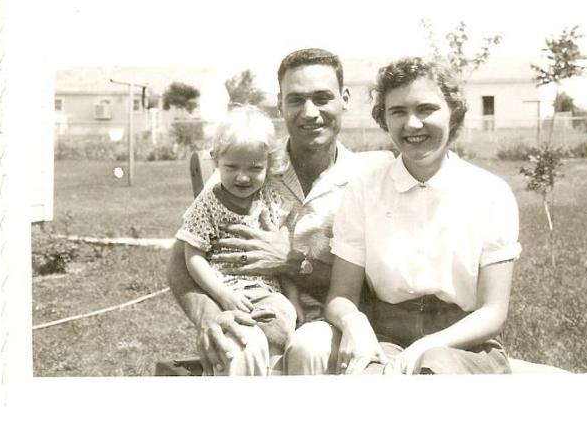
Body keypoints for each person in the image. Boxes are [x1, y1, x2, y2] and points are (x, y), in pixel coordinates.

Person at [166, 48, 390, 375]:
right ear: (280, 103)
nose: (309, 112)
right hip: (250, 310)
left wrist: (296, 263)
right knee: (235, 347)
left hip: (327, 324)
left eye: (322, 98)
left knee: (308, 350)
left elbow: (377, 288)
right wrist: (209, 315)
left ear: (344, 98)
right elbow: (180, 260)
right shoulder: (247, 164)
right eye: (296, 99)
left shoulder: (367, 179)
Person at [322, 56, 521, 374]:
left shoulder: (490, 193)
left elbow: (493, 312)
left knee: (434, 369)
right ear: (383, 118)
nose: (412, 124)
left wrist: (427, 347)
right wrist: (354, 322)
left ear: (453, 113)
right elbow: (341, 295)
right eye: (397, 111)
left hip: (465, 345)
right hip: (385, 339)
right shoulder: (363, 190)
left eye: (426, 109)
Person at [174, 105, 301, 375]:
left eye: (255, 168)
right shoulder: (207, 204)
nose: (242, 177)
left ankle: (276, 371)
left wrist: (293, 299)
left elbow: (282, 260)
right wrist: (222, 294)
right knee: (238, 340)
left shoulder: (270, 202)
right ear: (215, 160)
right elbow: (192, 255)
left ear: (269, 165)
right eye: (231, 167)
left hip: (267, 292)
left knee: (281, 322)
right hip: (225, 291)